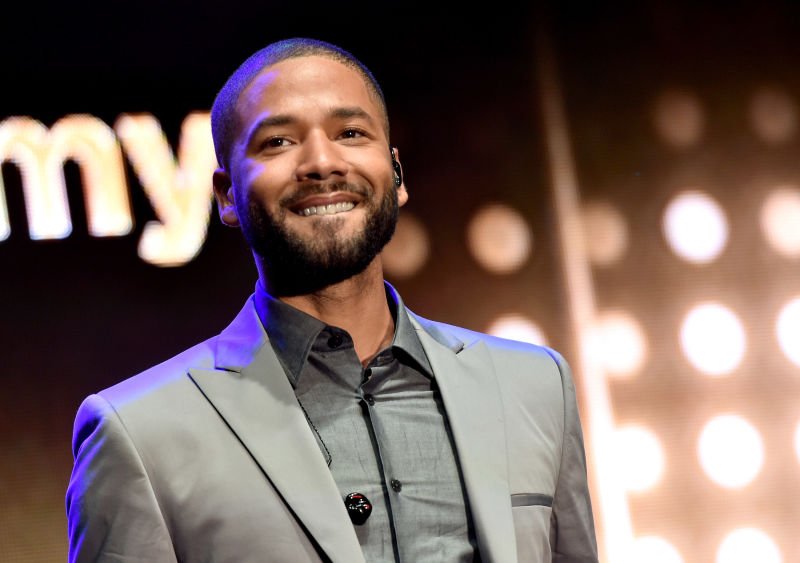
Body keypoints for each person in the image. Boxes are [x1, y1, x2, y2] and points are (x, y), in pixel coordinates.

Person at [65, 37, 599, 563]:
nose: (322, 162)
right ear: (227, 196)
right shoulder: (138, 433)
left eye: (350, 133)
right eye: (278, 141)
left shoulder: (533, 385)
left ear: (396, 173)